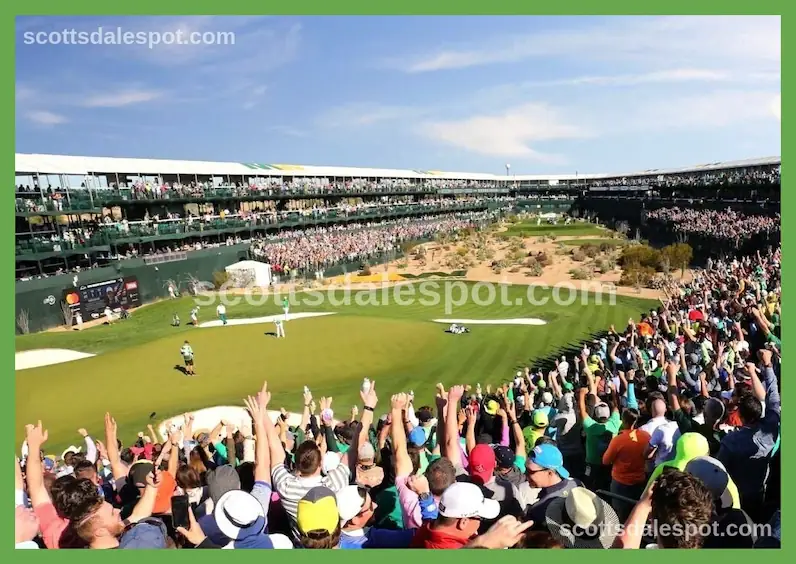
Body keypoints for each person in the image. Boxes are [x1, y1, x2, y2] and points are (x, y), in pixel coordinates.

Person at [410, 482, 499, 549]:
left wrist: (425, 496)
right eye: (481, 518)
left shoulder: (429, 529)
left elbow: (430, 517)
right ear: (463, 522)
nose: (479, 524)